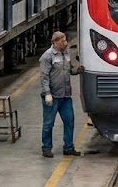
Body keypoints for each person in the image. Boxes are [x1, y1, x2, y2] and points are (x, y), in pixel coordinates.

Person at [39, 30, 83, 158]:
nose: (66, 43)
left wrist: (77, 70)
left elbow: (69, 70)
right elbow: (44, 77)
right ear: (55, 42)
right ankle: (46, 148)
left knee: (69, 121)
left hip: (65, 96)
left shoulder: (66, 53)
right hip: (52, 97)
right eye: (63, 41)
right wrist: (47, 93)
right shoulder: (47, 57)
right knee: (48, 124)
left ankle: (68, 147)